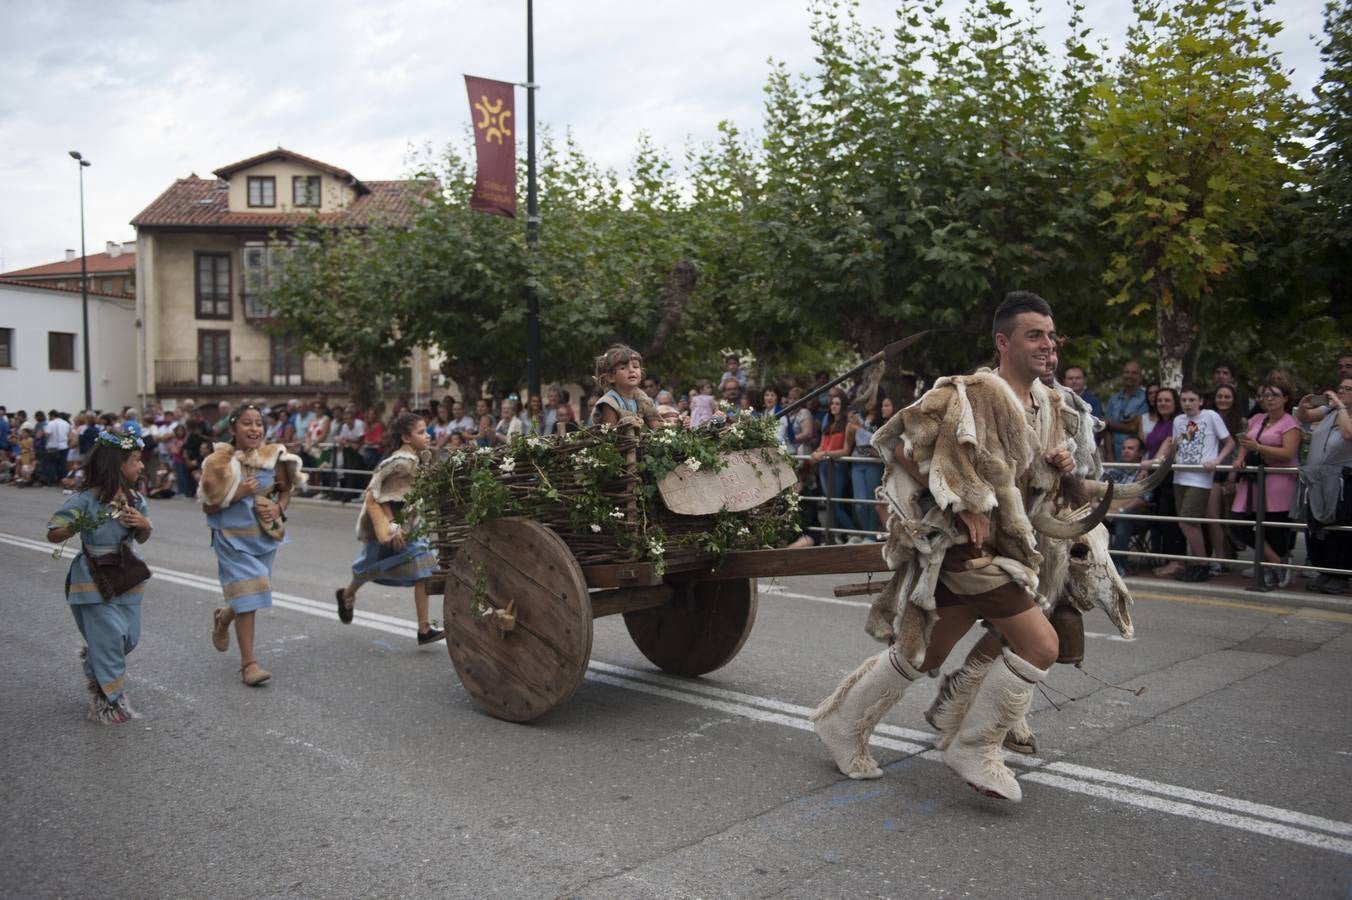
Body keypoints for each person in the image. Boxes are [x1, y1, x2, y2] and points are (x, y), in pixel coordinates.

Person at [812, 291, 1078, 802]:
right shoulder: (970, 393)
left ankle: (841, 723)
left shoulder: (1048, 402)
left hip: (1008, 548)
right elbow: (896, 443)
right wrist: (962, 502)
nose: (1048, 345)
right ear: (1003, 342)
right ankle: (975, 747)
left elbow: (1026, 477)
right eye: (1034, 335)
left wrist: (1059, 465)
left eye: (1051, 336)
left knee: (922, 652)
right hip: (962, 547)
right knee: (1043, 645)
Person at [46, 431, 153, 724]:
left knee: (127, 639)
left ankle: (95, 662)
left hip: (126, 575)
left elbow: (142, 537)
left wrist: (143, 524)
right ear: (116, 464)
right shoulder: (85, 500)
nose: (141, 466)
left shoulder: (135, 499)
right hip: (92, 578)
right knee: (109, 639)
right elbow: (53, 531)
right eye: (135, 460)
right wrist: (71, 527)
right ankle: (109, 702)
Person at [200, 405, 307, 686]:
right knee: (249, 594)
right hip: (230, 538)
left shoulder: (275, 457)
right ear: (233, 428)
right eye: (247, 423)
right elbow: (209, 509)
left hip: (264, 538)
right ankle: (249, 665)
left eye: (259, 423)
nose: (254, 429)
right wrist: (240, 493)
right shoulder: (217, 462)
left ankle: (224, 618)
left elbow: (285, 492)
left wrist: (277, 508)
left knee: (253, 591)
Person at [335, 412, 445, 644]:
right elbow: (380, 496)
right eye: (421, 432)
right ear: (406, 437)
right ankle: (346, 595)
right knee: (367, 567)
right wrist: (393, 528)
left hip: (411, 525)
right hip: (387, 527)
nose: (427, 435)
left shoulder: (416, 457)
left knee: (423, 569)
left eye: (427, 431)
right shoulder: (401, 463)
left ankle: (423, 629)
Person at [1152, 387, 1233, 582]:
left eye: (1191, 399)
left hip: (1200, 477)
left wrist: (1217, 460)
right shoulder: (1179, 420)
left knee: (1187, 521)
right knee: (1187, 522)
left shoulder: (1211, 416)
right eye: (1184, 400)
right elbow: (1176, 445)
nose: (1187, 403)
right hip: (1180, 475)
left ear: (1200, 401)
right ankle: (1197, 562)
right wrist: (1165, 458)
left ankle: (1202, 563)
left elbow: (1229, 442)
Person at [1231, 376, 1302, 589]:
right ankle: (1278, 562)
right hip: (1252, 482)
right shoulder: (1257, 419)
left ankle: (1274, 568)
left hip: (1278, 483)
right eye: (1266, 395)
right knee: (1238, 523)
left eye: (1274, 395)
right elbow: (1246, 441)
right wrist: (1240, 457)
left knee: (1274, 530)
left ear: (1285, 398)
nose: (1269, 399)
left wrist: (1259, 448)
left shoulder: (1291, 423)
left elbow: (1288, 452)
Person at [1298, 375, 1352, 594]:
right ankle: (1325, 571)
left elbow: (1348, 434)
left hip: (1342, 480)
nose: (1341, 391)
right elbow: (1305, 416)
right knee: (1318, 528)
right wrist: (1303, 405)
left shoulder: (1342, 412)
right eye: (1340, 387)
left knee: (1339, 529)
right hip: (1318, 478)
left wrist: (1341, 407)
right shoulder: (1329, 411)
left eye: (1347, 389)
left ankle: (1340, 575)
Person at [1142, 387, 1185, 577]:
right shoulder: (1159, 423)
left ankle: (1176, 562)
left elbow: (1169, 445)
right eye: (1159, 400)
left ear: (1175, 402)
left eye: (1167, 400)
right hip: (1156, 476)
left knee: (1170, 519)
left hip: (1169, 474)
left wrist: (1148, 465)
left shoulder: (1177, 422)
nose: (1163, 403)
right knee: (1161, 517)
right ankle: (1168, 559)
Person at [1206, 384, 1246, 572]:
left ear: (1234, 399)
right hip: (1214, 473)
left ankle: (1229, 556)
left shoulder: (1242, 422)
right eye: (1219, 396)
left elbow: (1240, 449)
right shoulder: (1208, 418)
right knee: (1214, 518)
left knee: (1229, 520)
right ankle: (1221, 560)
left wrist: (1233, 475)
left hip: (1233, 473)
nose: (1223, 400)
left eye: (1227, 396)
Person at [810, 391, 854, 541]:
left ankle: (855, 534)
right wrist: (815, 454)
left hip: (838, 467)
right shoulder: (827, 422)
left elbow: (846, 450)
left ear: (842, 406)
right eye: (832, 403)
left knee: (836, 504)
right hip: (824, 467)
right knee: (829, 503)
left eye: (837, 404)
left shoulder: (847, 424)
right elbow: (821, 445)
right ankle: (834, 537)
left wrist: (824, 453)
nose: (834, 406)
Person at [1105, 436, 1152, 575]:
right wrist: (1097, 506)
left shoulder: (1145, 473)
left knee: (1123, 518)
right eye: (1124, 448)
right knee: (1088, 514)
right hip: (1107, 513)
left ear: (1140, 453)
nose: (1125, 451)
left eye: (1131, 448)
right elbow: (1096, 495)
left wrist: (1118, 511)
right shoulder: (1113, 470)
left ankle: (1118, 566)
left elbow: (1143, 499)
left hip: (1133, 517)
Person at [590, 344, 660, 427]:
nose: (631, 370)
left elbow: (656, 426)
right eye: (623, 368)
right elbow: (611, 435)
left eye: (635, 366)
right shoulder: (609, 402)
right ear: (611, 377)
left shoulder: (642, 399)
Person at [846, 395, 886, 539]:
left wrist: (860, 428)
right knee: (859, 504)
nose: (869, 402)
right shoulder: (858, 416)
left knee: (870, 503)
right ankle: (866, 534)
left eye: (873, 398)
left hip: (873, 463)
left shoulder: (882, 420)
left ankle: (870, 537)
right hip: (857, 461)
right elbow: (851, 438)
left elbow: (877, 441)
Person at [1103, 361, 1148, 462]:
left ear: (1140, 377)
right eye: (1126, 372)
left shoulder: (1146, 399)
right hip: (1114, 456)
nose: (1129, 375)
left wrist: (1110, 424)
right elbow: (1106, 428)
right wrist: (1109, 455)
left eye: (1134, 373)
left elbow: (1135, 427)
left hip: (1136, 458)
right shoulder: (1113, 399)